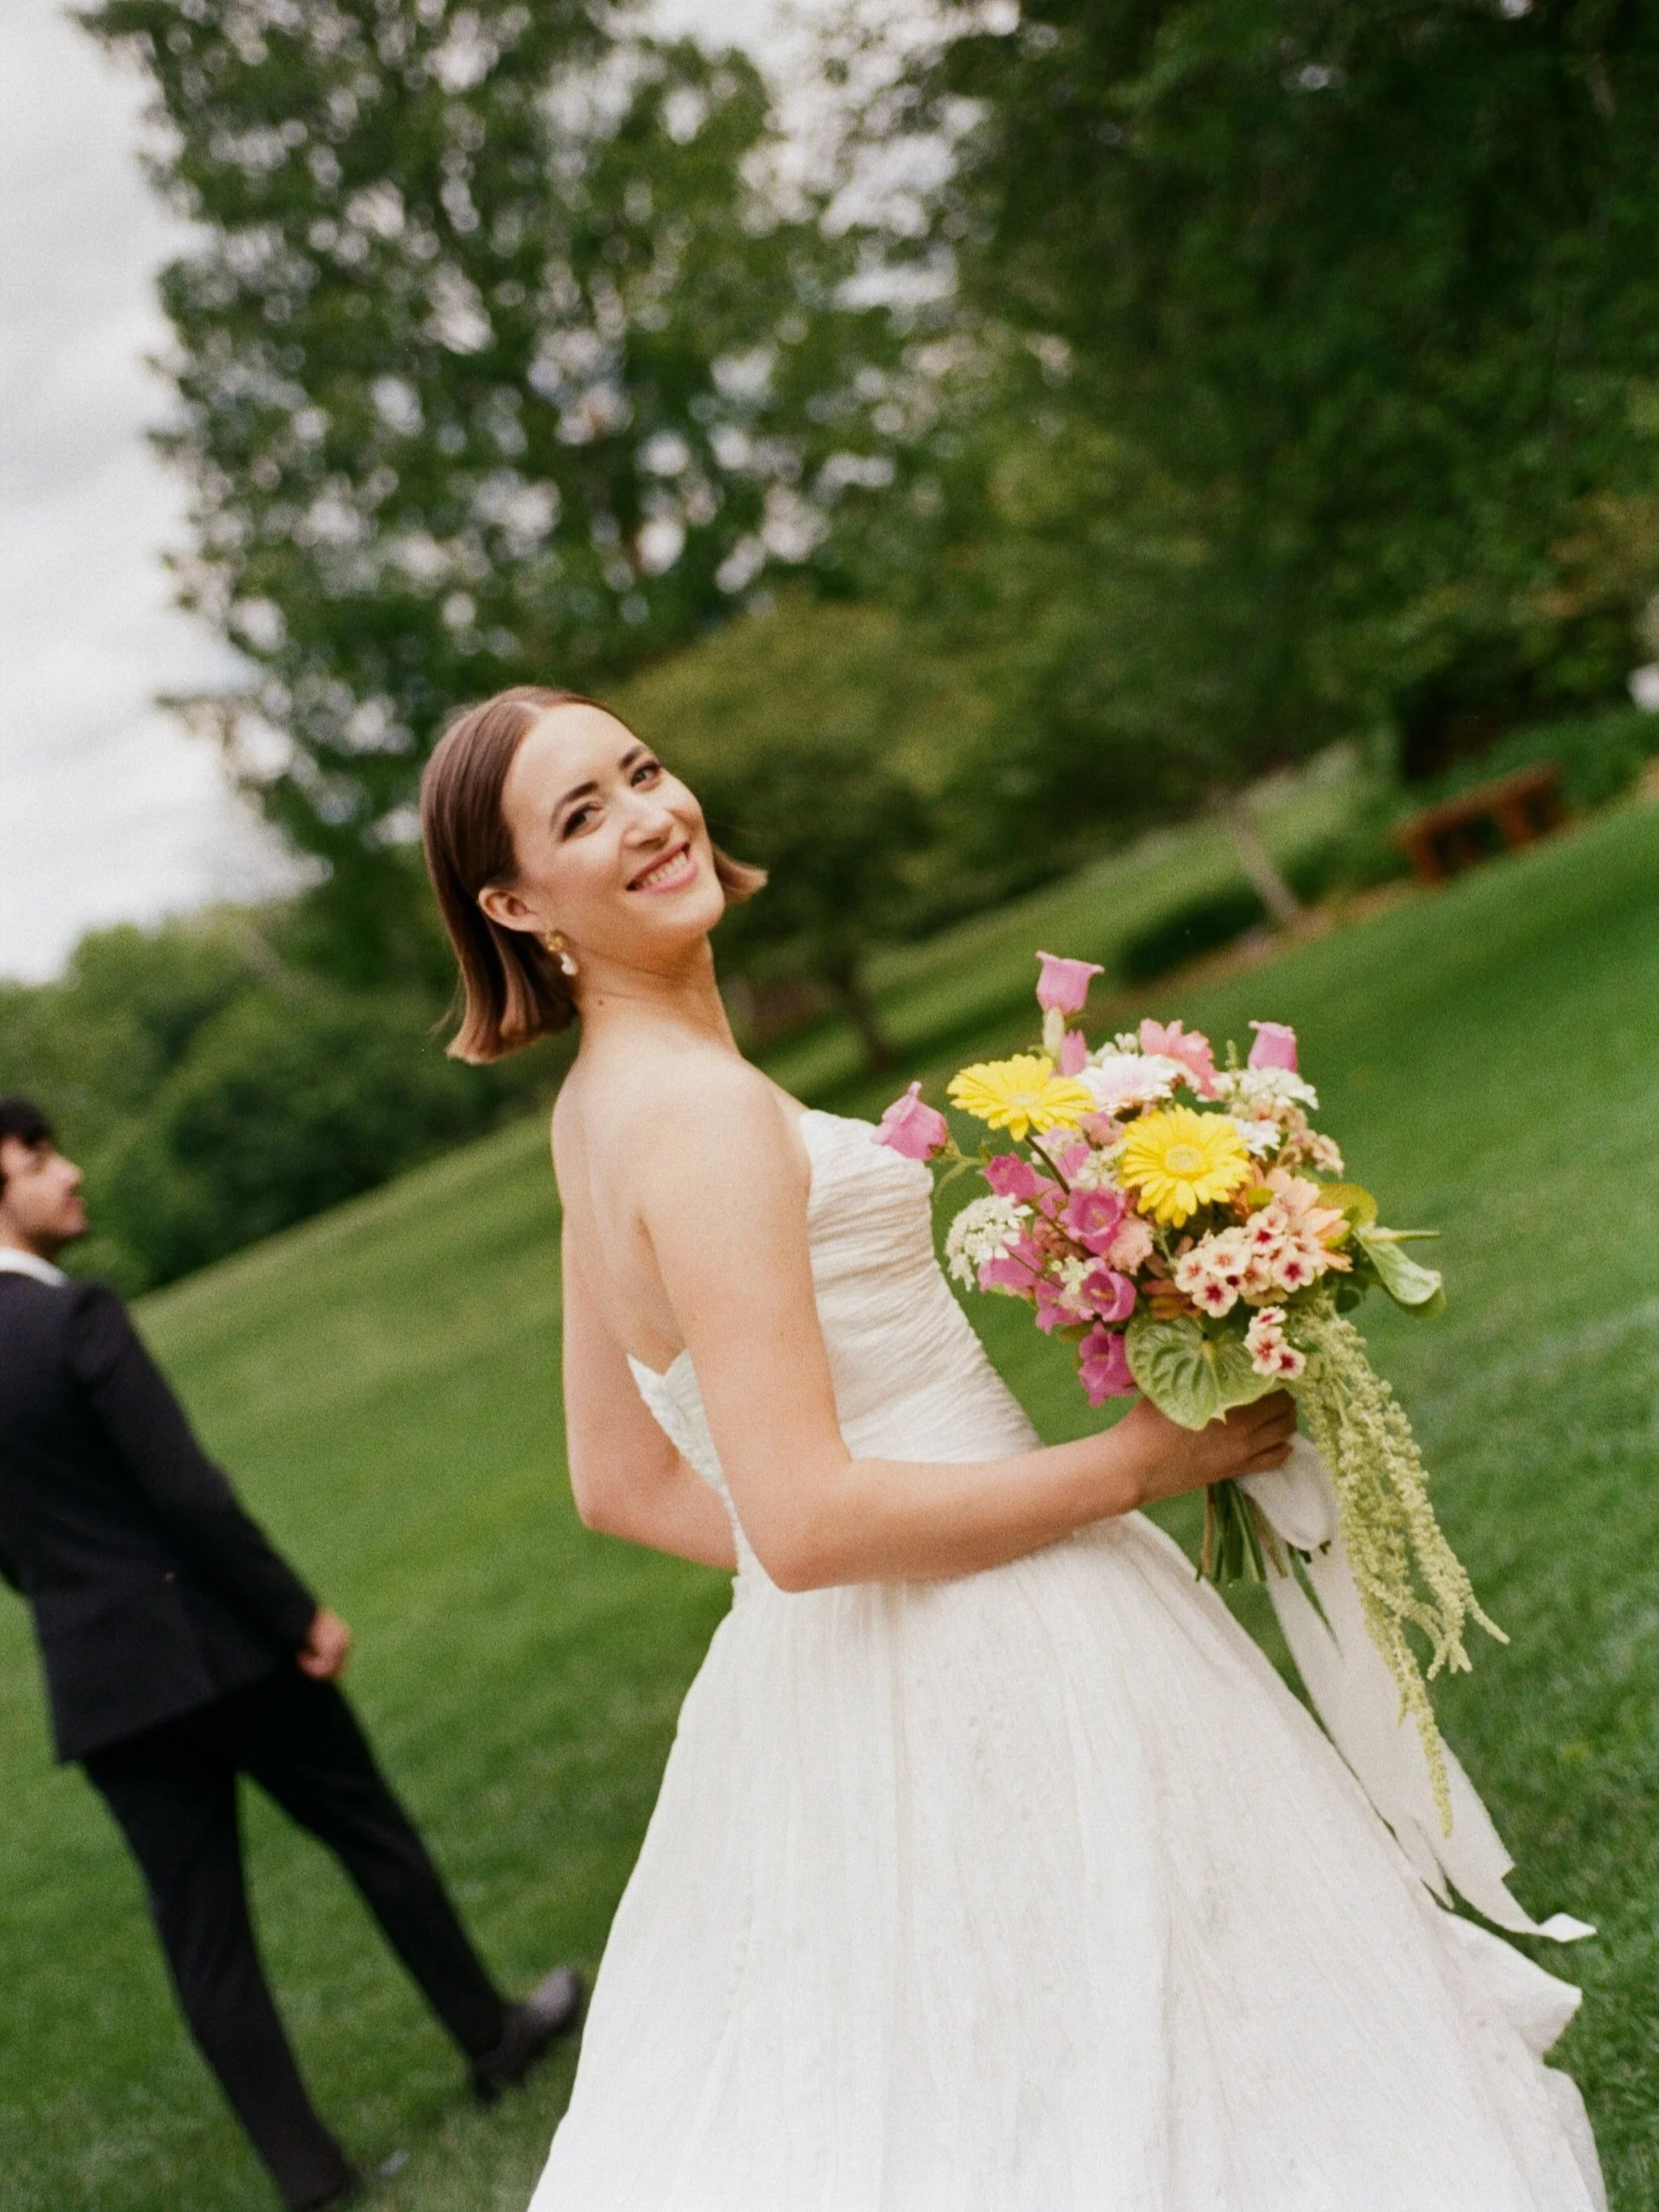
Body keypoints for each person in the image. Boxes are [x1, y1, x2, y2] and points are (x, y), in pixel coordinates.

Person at [419, 685, 1605, 2212]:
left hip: (847, 1666)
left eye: (642, 771)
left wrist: (857, 1583)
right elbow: (804, 1515)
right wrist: (1133, 1468)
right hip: (1008, 1624)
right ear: (515, 903)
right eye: (582, 815)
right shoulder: (699, 1117)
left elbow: (627, 1481)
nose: (650, 816)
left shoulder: (595, 1114)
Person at [0, 1096, 582, 2212]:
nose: (68, 1172)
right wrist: (294, 1612)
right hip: (224, 1647)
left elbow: (12, 1552)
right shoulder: (78, 1319)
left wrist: (84, 1603)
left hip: (103, 1684)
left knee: (203, 1937)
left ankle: (308, 2177)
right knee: (368, 1829)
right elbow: (186, 1492)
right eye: (38, 1158)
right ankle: (493, 2033)